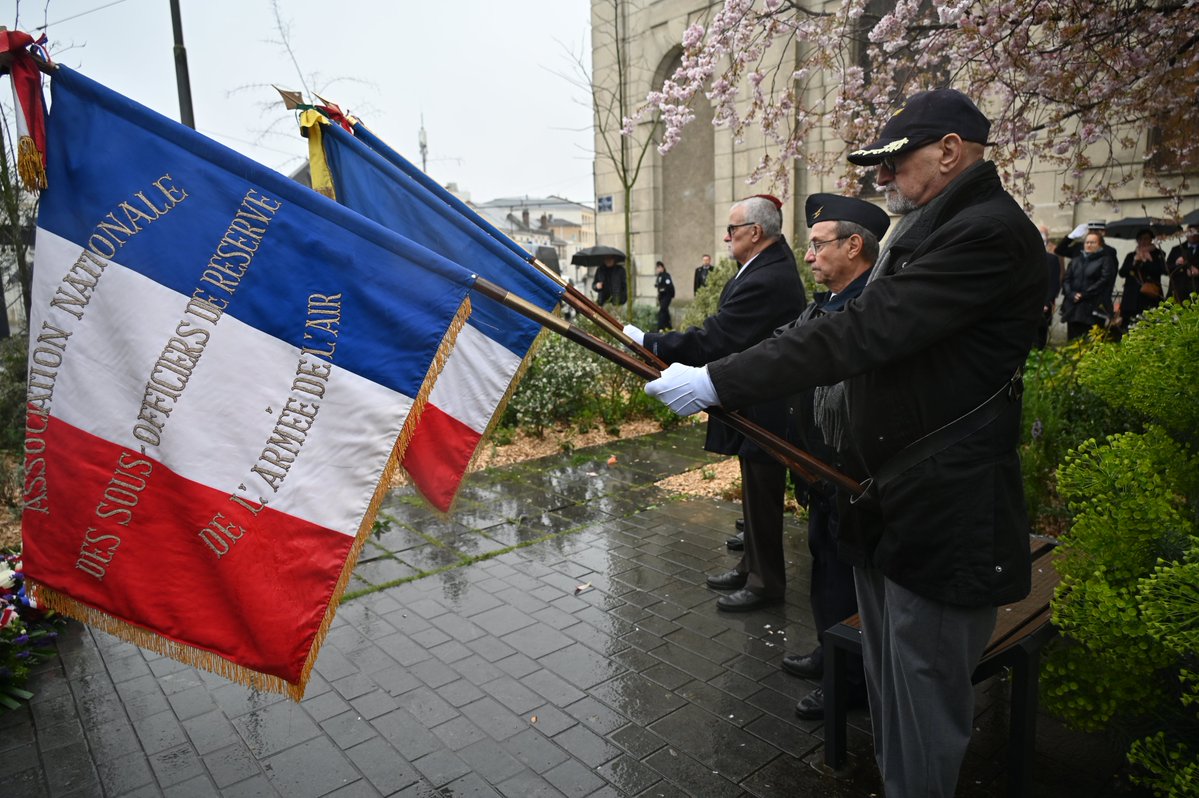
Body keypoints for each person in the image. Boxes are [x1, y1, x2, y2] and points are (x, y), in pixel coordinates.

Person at [644, 88, 1044, 796]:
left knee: (921, 712)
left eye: (895, 162)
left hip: (941, 513)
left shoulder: (982, 231)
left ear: (949, 152)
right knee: (892, 700)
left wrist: (718, 380)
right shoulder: (934, 225)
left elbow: (862, 329)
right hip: (892, 505)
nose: (881, 180)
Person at [624, 196, 806, 612]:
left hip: (766, 402)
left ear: (755, 233)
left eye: (732, 230)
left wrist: (651, 342)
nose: (726, 237)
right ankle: (751, 566)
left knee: (762, 495)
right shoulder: (762, 267)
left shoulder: (768, 276)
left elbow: (718, 336)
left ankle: (765, 583)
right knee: (752, 493)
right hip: (753, 397)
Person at [779, 193, 889, 721]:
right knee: (824, 568)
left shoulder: (874, 306)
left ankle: (850, 683)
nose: (809, 255)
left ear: (854, 245)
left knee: (848, 578)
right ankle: (832, 652)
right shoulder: (823, 305)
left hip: (854, 476)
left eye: (819, 245)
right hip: (820, 474)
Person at [1060, 231, 1118, 340]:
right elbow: (1067, 279)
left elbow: (1104, 280)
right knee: (1073, 341)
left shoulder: (1105, 260)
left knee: (1091, 342)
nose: (1089, 245)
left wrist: (1084, 294)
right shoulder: (1076, 260)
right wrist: (1071, 294)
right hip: (1074, 307)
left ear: (1100, 245)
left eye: (1093, 242)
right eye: (1087, 242)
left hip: (1093, 307)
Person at [1115, 228, 1166, 327]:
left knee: (1149, 324)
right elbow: (1122, 272)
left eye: (1146, 239)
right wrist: (1135, 261)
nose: (1143, 242)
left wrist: (1147, 260)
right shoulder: (1131, 255)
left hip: (1149, 295)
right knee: (1129, 325)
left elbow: (1162, 270)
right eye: (1141, 239)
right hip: (1131, 297)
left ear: (1152, 240)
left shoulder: (1159, 254)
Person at [1036, 225, 1062, 349]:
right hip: (1025, 305)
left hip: (1043, 305)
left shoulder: (1051, 259)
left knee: (1040, 337)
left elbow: (1053, 283)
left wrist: (1046, 302)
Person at [1165, 224, 1199, 303]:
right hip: (1179, 292)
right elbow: (1166, 269)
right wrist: (1176, 264)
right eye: (1190, 232)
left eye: (1196, 232)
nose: (1193, 235)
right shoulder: (1177, 249)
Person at [654, 260, 675, 331]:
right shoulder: (659, 276)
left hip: (667, 296)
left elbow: (669, 286)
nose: (658, 269)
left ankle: (660, 327)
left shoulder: (666, 275)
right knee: (665, 311)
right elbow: (657, 284)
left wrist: (662, 289)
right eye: (657, 268)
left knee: (662, 310)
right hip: (661, 297)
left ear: (663, 268)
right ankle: (668, 326)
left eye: (659, 267)